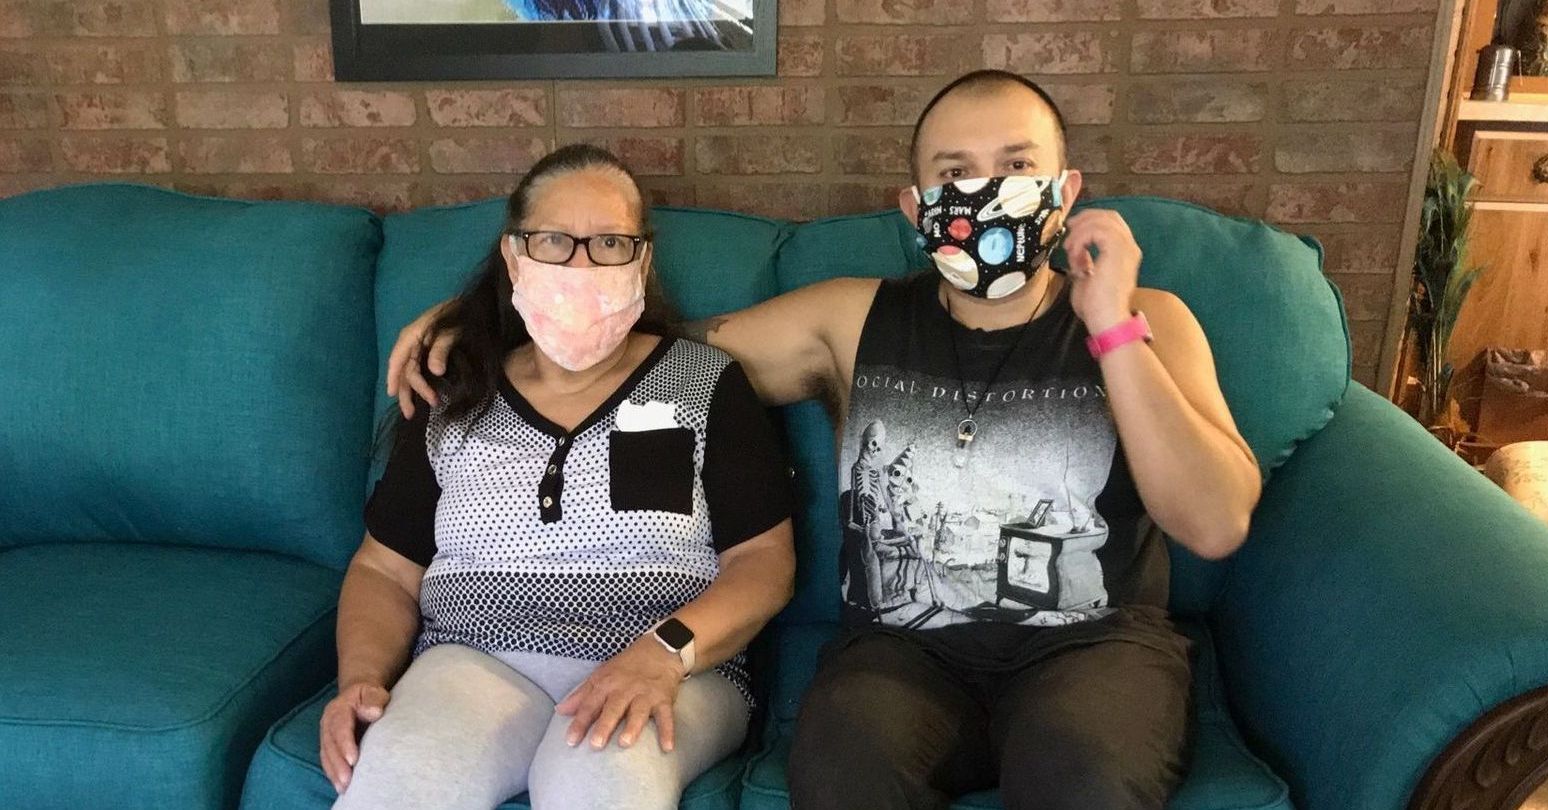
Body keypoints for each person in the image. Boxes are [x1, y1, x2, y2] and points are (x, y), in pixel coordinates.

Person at [388, 71, 1262, 809]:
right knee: (841, 767)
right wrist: (486, 321)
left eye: (1017, 166)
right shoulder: (849, 320)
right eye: (954, 172)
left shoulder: (1152, 322)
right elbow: (630, 348)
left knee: (1079, 766)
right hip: (902, 653)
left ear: (1065, 191)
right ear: (916, 205)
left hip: (1094, 646)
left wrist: (1111, 329)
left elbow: (1214, 523)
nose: (986, 189)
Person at [323, 144, 795, 810]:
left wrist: (664, 653)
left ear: (642, 258)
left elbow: (763, 563)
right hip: (474, 660)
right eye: (553, 241)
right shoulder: (454, 391)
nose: (580, 265)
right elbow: (383, 569)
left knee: (596, 780)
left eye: (608, 242)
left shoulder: (703, 383)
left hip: (666, 667)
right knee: (397, 780)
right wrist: (362, 680)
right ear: (514, 256)